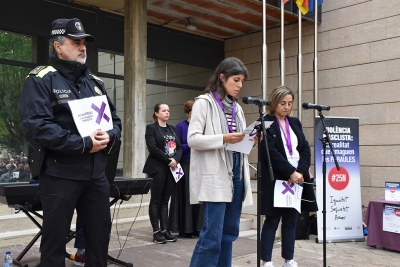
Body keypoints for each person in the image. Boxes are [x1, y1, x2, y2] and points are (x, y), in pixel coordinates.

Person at [19, 18, 121, 267]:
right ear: (58, 46)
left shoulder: (95, 84)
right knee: (54, 243)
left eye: (84, 42)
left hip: (96, 176)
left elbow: (115, 121)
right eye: (76, 42)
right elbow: (36, 126)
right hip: (60, 174)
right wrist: (82, 144)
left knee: (99, 240)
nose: (83, 47)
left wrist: (110, 135)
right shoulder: (41, 79)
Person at [188, 57, 255, 267]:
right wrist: (224, 138)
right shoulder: (203, 103)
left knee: (229, 234)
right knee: (212, 237)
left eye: (242, 81)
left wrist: (250, 139)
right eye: (236, 80)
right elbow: (193, 139)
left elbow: (236, 143)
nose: (239, 85)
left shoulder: (238, 108)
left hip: (236, 173)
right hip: (215, 176)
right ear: (222, 77)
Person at [259, 86, 317, 267]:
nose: (286, 107)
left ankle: (288, 259)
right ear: (274, 103)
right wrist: (289, 172)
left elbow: (305, 149)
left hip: (297, 179)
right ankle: (266, 261)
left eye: (290, 103)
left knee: (291, 221)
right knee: (272, 220)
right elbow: (270, 151)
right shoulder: (266, 122)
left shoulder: (295, 123)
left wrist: (299, 171)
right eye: (282, 103)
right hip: (277, 178)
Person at [143, 102, 183, 244]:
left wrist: (176, 160)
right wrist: (168, 160)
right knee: (156, 200)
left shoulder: (172, 129)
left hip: (172, 168)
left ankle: (165, 230)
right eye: (164, 110)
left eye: (168, 110)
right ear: (156, 113)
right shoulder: (151, 128)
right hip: (157, 168)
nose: (167, 113)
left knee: (166, 200)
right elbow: (153, 148)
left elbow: (179, 147)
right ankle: (156, 232)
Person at [169, 100, 204, 238]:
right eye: (193, 112)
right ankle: (186, 228)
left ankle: (198, 227)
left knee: (199, 196)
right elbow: (175, 147)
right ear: (187, 113)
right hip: (185, 163)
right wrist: (191, 144)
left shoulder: (202, 126)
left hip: (199, 162)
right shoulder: (180, 126)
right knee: (186, 196)